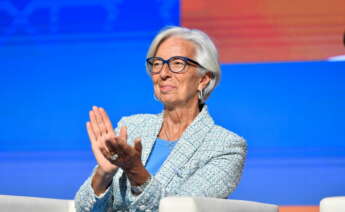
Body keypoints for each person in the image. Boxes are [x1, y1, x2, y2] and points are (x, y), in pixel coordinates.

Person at [74, 26, 247, 212]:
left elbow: (182, 209)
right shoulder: (131, 127)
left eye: (177, 63)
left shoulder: (226, 147)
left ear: (203, 79)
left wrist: (136, 171)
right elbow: (82, 207)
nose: (163, 73)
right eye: (157, 63)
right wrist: (104, 174)